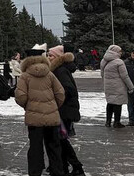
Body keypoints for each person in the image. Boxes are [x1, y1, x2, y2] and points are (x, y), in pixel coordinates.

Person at [15, 50, 65, 176]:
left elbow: (20, 96)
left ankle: (35, 172)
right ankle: (57, 171)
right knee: (54, 147)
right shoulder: (50, 74)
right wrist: (53, 107)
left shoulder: (25, 76)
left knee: (35, 148)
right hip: (52, 117)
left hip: (34, 118)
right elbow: (60, 93)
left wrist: (28, 106)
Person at [48, 46, 84, 176]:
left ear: (58, 57)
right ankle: (64, 166)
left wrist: (57, 97)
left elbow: (68, 89)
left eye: (51, 56)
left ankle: (76, 166)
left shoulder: (60, 70)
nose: (48, 57)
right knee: (59, 140)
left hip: (65, 110)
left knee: (61, 140)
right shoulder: (58, 69)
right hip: (64, 109)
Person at [100, 45, 133, 128]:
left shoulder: (103, 61)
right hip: (118, 86)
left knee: (110, 103)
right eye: (120, 51)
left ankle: (108, 121)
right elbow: (125, 76)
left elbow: (102, 74)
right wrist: (130, 86)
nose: (121, 53)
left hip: (108, 85)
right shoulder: (119, 62)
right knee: (118, 104)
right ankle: (117, 122)